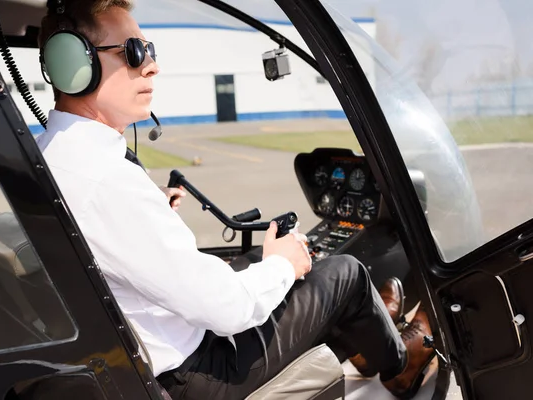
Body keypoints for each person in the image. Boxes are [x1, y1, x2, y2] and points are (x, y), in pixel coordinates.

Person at [34, 0, 435, 398]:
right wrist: (284, 264)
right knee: (344, 272)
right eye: (134, 52)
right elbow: (225, 310)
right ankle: (399, 366)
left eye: (150, 52)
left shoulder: (51, 154)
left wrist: (148, 212)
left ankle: (369, 339)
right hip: (197, 372)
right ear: (75, 65)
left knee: (250, 263)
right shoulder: (106, 181)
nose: (152, 66)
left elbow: (105, 229)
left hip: (139, 356)